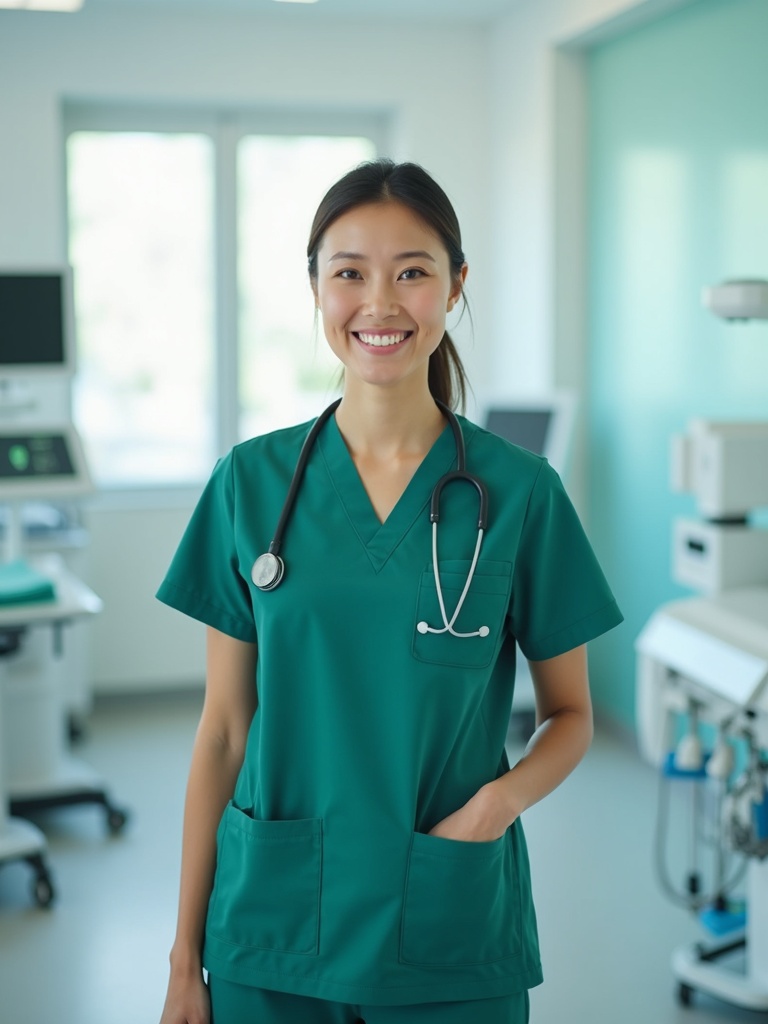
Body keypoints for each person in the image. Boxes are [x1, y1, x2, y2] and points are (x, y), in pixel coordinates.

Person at [156, 158, 623, 1024]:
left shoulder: (519, 494)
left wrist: (496, 807)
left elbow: (572, 716)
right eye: (349, 273)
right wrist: (186, 960)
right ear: (316, 289)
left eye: (413, 271)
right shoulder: (249, 485)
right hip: (273, 929)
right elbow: (224, 731)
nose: (381, 302)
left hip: (446, 926)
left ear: (454, 288)